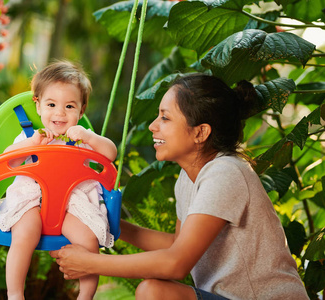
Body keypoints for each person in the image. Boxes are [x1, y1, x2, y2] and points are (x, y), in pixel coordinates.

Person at [50, 74, 309, 300]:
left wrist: (92, 263)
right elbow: (177, 244)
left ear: (200, 132)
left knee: (152, 292)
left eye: (165, 118)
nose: (153, 126)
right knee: (153, 292)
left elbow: (176, 264)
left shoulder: (226, 173)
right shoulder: (188, 178)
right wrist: (110, 224)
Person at [0, 60, 117, 300]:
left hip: (72, 202)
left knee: (88, 239)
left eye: (70, 106)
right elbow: (7, 161)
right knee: (24, 234)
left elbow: (111, 153)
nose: (60, 113)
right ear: (38, 105)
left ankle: (86, 295)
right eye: (51, 104)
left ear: (81, 111)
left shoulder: (82, 139)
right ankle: (15, 294)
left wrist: (88, 135)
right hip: (31, 200)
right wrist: (30, 145)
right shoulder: (30, 136)